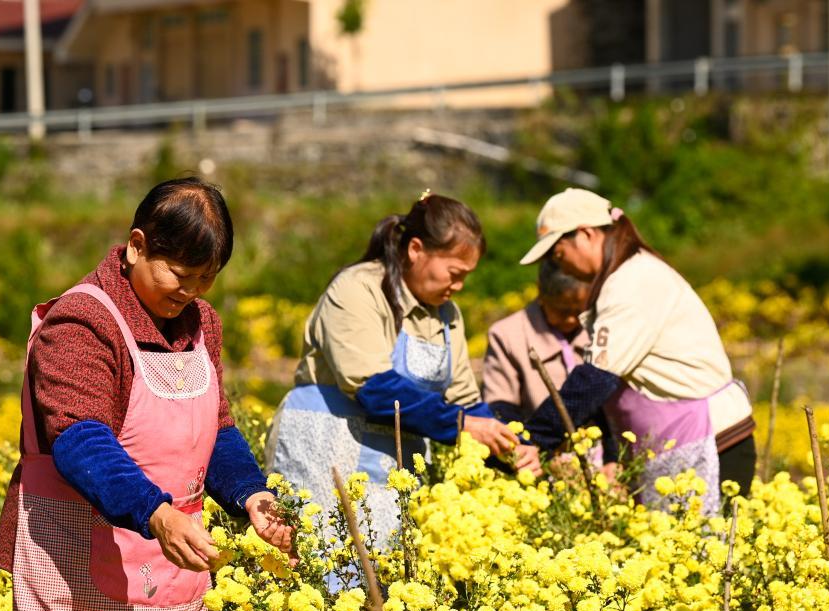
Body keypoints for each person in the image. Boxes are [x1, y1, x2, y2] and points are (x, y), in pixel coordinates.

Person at [0, 178, 294, 611]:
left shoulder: (201, 325)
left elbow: (216, 428)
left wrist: (250, 493)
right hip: (74, 562)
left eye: (207, 279)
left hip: (164, 564)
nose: (191, 292)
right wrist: (155, 512)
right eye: (180, 274)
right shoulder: (83, 323)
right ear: (136, 246)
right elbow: (80, 438)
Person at [266, 191, 539, 551]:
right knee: (322, 574)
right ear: (415, 250)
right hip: (325, 456)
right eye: (454, 273)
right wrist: (464, 426)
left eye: (466, 277)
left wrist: (507, 446)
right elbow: (375, 389)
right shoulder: (359, 289)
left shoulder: (446, 315)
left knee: (389, 583)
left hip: (391, 472)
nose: (459, 286)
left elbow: (465, 400)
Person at [518, 188, 756, 512]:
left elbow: (595, 379)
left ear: (586, 234)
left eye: (558, 256)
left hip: (713, 443)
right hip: (685, 441)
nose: (561, 269)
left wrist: (534, 439)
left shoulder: (633, 281)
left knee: (704, 556)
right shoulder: (624, 278)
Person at [481, 258, 615, 467]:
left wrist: (613, 458)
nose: (572, 320)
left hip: (601, 460)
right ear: (541, 293)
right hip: (539, 455)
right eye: (562, 311)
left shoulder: (599, 329)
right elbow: (501, 405)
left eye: (579, 311)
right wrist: (528, 448)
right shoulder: (507, 335)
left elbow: (612, 404)